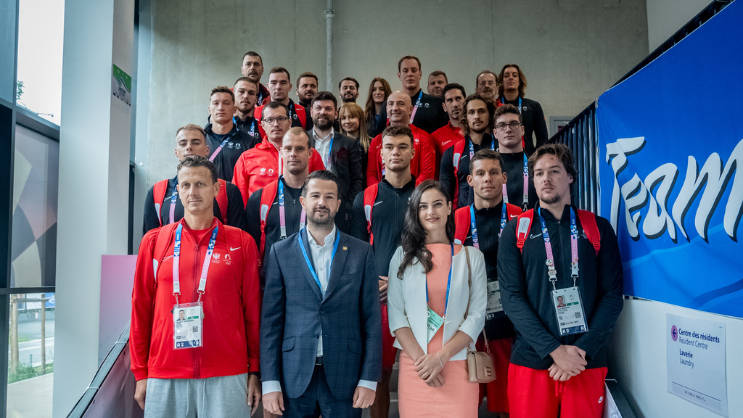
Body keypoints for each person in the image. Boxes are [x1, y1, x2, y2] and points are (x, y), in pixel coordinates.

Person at [498, 144, 624, 418]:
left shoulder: (598, 227)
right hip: (532, 360)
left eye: (554, 171)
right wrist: (554, 350)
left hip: (584, 362)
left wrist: (581, 350)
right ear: (533, 180)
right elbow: (511, 298)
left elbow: (613, 297)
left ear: (570, 176)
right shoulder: (515, 230)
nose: (546, 178)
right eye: (539, 173)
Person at [131, 156, 262, 417]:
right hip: (165, 371)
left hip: (227, 371)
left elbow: (253, 309)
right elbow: (140, 308)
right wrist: (141, 372)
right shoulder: (154, 242)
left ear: (216, 188)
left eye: (200, 184)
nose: (193, 192)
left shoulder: (241, 242)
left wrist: (255, 369)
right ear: (178, 191)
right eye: (186, 185)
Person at [261, 170, 382, 418]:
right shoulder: (280, 252)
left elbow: (371, 319)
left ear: (338, 204)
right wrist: (270, 381)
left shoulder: (361, 252)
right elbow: (271, 323)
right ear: (303, 201)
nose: (321, 203)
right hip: (294, 376)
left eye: (329, 197)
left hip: (345, 376)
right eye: (315, 196)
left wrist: (369, 379)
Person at [387, 180, 487, 418]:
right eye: (423, 206)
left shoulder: (472, 257)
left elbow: (476, 316)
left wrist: (441, 358)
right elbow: (396, 316)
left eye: (437, 204)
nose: (431, 211)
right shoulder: (401, 256)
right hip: (416, 366)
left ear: (450, 207)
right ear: (416, 212)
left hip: (458, 363)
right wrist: (424, 364)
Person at [351, 124, 418, 418]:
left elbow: (437, 246)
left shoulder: (427, 195)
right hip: (378, 297)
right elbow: (356, 253)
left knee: (420, 366)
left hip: (420, 295)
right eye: (389, 147)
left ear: (413, 152)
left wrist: (403, 280)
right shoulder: (365, 198)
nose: (395, 152)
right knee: (379, 371)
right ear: (380, 154)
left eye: (402, 147)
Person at [452, 149, 522, 417]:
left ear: (504, 177)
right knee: (464, 405)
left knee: (507, 403)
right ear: (470, 180)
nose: (487, 179)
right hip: (468, 324)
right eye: (480, 173)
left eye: (493, 173)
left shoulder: (520, 217)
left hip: (508, 323)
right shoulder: (456, 219)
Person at [143, 124, 247, 233]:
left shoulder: (228, 190)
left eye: (196, 143)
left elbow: (238, 237)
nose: (189, 147)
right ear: (176, 152)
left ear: (207, 150)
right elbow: (150, 239)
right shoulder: (157, 192)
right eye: (183, 143)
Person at [246, 127, 314, 275]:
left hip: (312, 277)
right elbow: (251, 250)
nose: (293, 154)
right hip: (273, 279)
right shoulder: (259, 199)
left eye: (300, 149)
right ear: (281, 152)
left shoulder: (322, 198)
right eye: (288, 148)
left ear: (310, 153)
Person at [232, 102, 324, 204]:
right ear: (263, 124)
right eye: (270, 120)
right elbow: (238, 199)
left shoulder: (310, 154)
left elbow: (322, 188)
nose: (275, 124)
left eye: (281, 119)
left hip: (301, 211)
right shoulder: (247, 158)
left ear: (289, 122)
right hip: (260, 213)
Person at [308, 91, 364, 233]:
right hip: (308, 207)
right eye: (318, 108)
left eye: (328, 108)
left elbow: (357, 179)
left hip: (339, 209)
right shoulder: (302, 141)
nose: (323, 112)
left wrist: (348, 207)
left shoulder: (349, 143)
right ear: (311, 112)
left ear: (335, 114)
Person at [440, 94, 498, 210]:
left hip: (500, 215)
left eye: (481, 111)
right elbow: (445, 196)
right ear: (465, 117)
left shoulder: (502, 147)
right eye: (471, 112)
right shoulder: (452, 153)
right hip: (466, 217)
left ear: (490, 115)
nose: (476, 116)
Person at [366, 91, 435, 186]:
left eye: (401, 104)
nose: (395, 108)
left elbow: (427, 173)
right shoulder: (376, 141)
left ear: (410, 109)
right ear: (386, 109)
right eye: (391, 104)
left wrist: (409, 192)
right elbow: (371, 175)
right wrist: (381, 192)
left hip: (415, 193)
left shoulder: (424, 137)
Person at [204, 86, 260, 182]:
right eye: (216, 103)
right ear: (209, 109)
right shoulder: (200, 139)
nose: (221, 108)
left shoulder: (251, 142)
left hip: (236, 192)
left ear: (234, 109)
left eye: (226, 103)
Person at [494, 104, 538, 210]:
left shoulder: (536, 165)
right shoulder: (489, 167)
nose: (508, 129)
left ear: (522, 130)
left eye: (513, 124)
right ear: (495, 133)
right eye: (502, 125)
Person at [498, 64, 548, 155]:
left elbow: (542, 138)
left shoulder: (533, 106)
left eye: (514, 75)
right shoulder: (494, 106)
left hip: (526, 157)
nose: (511, 78)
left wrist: (535, 157)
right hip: (499, 157)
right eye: (506, 76)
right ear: (501, 82)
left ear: (519, 81)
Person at [254, 67, 313, 138]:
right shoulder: (256, 113)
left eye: (283, 83)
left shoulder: (304, 113)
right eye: (273, 83)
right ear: (268, 87)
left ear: (290, 87)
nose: (278, 87)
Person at [397, 55, 448, 134]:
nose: (410, 74)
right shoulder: (389, 105)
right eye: (405, 71)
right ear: (399, 75)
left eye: (414, 70)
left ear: (420, 74)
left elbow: (446, 135)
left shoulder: (437, 103)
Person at [431, 83, 466, 174]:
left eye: (458, 99)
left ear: (465, 102)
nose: (455, 104)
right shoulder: (435, 137)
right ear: (444, 107)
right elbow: (436, 173)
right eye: (450, 100)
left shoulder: (477, 131)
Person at [339, 102, 371, 178]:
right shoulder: (336, 143)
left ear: (360, 119)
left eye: (352, 117)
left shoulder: (371, 143)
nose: (347, 121)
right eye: (343, 118)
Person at [233, 77, 262, 143]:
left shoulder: (263, 128)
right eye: (241, 91)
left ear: (256, 99)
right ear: (233, 96)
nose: (246, 96)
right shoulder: (221, 125)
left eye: (251, 93)